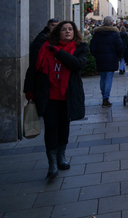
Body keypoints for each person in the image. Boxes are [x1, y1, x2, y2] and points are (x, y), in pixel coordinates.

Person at [24, 21, 87, 179]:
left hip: (68, 95)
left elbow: (77, 65)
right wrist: (29, 90)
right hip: (48, 95)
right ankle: (52, 163)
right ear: (58, 32)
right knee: (51, 127)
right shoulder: (44, 48)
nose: (67, 32)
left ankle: (61, 157)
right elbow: (33, 69)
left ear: (74, 32)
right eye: (64, 29)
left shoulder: (79, 48)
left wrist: (58, 52)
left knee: (64, 127)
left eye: (70, 29)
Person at [90, 16, 124, 107]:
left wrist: (97, 55)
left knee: (102, 78)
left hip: (100, 59)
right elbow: (120, 47)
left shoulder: (97, 33)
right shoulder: (115, 33)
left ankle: (104, 96)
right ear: (112, 23)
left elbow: (92, 47)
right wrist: (118, 56)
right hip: (111, 59)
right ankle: (106, 98)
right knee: (109, 78)